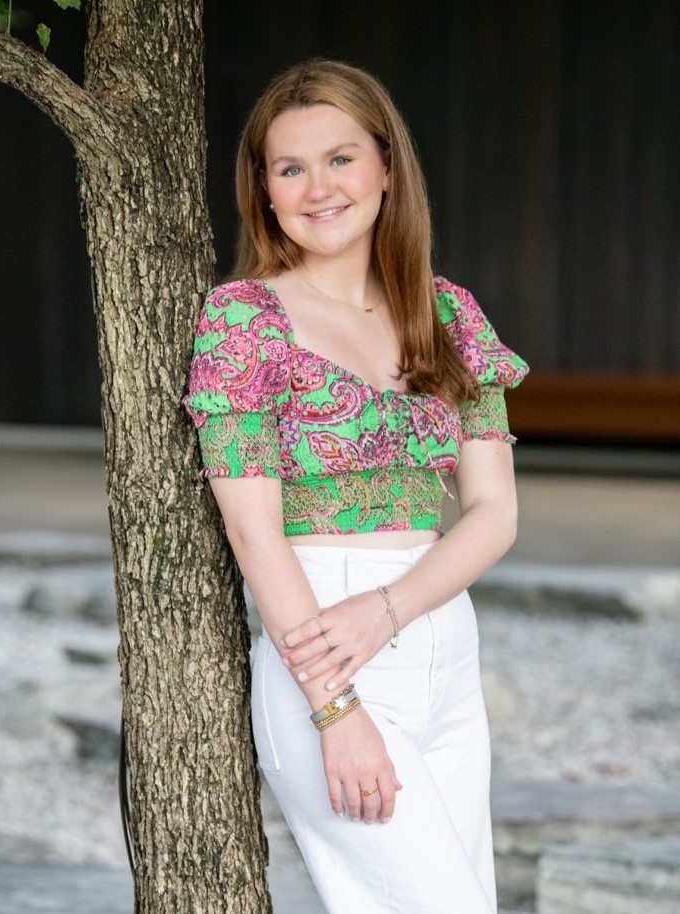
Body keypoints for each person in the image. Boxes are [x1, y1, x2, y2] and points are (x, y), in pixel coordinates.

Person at [184, 59, 528, 914]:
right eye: (288, 167)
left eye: (340, 159)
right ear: (263, 191)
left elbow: (493, 514)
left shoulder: (448, 314)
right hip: (322, 652)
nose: (316, 188)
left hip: (440, 635)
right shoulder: (242, 321)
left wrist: (393, 607)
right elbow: (253, 534)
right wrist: (335, 713)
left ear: (384, 167)